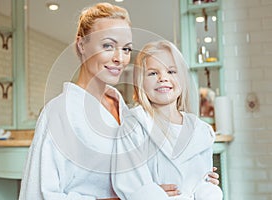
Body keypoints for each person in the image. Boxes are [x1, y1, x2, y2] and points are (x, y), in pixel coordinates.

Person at [19, 3, 219, 199]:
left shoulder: (126, 110)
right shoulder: (59, 113)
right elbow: (37, 194)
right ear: (82, 45)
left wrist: (195, 178)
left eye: (126, 49)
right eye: (108, 45)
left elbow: (146, 173)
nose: (120, 58)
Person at [111, 40, 223, 200]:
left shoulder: (201, 131)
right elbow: (129, 182)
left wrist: (208, 189)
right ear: (140, 82)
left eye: (171, 71)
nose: (163, 78)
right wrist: (151, 194)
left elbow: (203, 181)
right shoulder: (134, 126)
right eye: (152, 73)